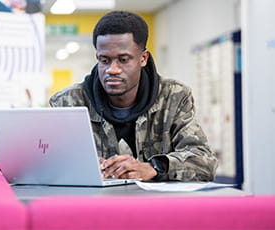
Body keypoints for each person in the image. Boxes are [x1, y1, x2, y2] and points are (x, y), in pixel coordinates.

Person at [49, 11, 218, 182]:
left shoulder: (173, 96)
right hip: (93, 205)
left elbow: (205, 162)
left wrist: (154, 167)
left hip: (155, 206)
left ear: (143, 58)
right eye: (104, 60)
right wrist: (80, 167)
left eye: (123, 60)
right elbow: (45, 162)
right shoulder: (68, 102)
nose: (112, 70)